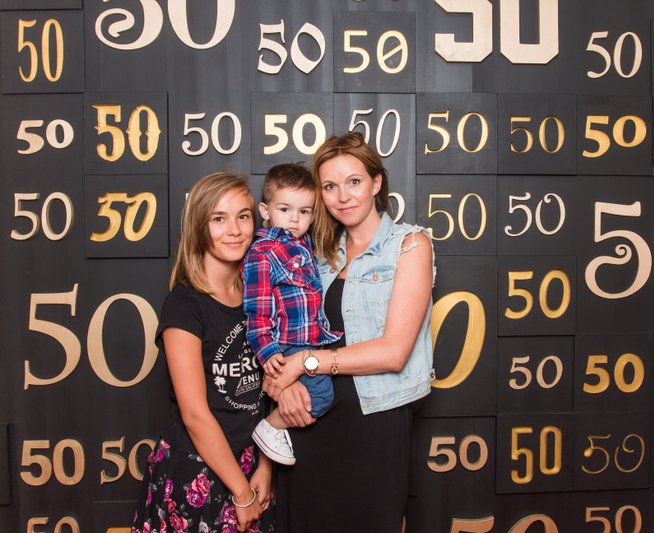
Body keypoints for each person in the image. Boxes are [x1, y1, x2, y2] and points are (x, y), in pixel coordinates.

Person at [265, 132, 435, 532]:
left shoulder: (410, 245)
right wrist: (285, 386)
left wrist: (305, 362)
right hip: (309, 416)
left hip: (374, 420)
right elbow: (279, 324)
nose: (342, 196)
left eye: (353, 182)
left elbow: (394, 352)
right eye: (329, 186)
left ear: (376, 183)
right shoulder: (312, 251)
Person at [131, 172, 275, 533]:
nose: (235, 230)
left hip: (252, 463)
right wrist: (241, 492)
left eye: (243, 216)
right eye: (218, 218)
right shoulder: (184, 305)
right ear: (199, 226)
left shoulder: (259, 295)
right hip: (198, 470)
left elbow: (270, 392)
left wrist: (266, 465)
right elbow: (195, 414)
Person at [243, 163, 341, 466]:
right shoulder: (263, 252)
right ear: (265, 210)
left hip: (309, 341)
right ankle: (270, 428)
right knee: (321, 397)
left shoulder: (303, 244)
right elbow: (257, 308)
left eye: (304, 211)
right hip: (286, 344)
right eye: (285, 209)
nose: (295, 219)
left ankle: (273, 430)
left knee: (321, 396)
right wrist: (267, 350)